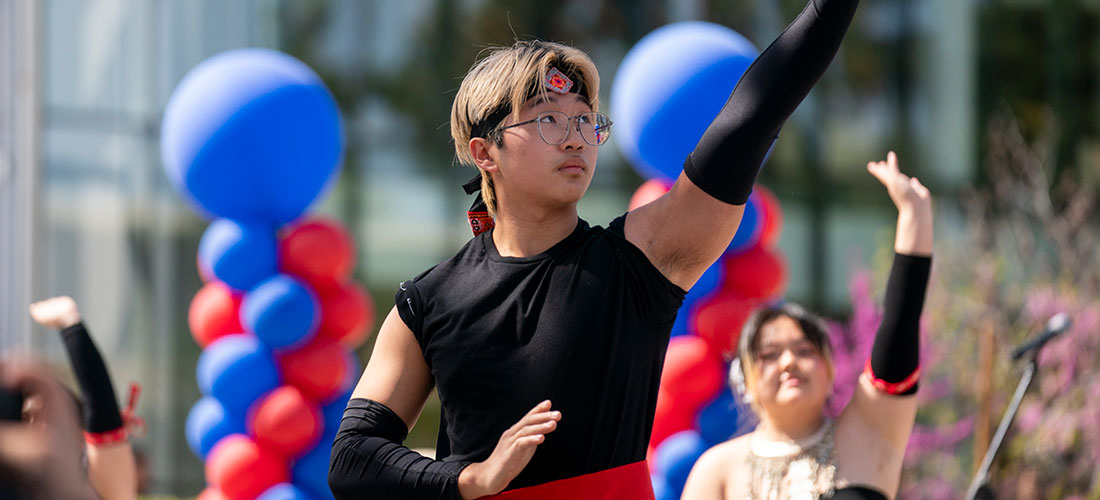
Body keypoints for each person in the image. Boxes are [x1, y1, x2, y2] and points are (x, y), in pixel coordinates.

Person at [328, 0, 861, 498]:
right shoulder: (427, 301)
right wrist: (470, 479)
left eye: (586, 120)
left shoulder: (639, 260)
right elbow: (352, 458)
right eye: (548, 119)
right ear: (484, 151)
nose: (575, 137)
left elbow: (752, 117)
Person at [680, 152, 933, 500]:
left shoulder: (870, 432)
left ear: (829, 369)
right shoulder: (717, 471)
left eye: (804, 350)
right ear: (746, 381)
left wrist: (914, 218)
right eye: (769, 354)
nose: (789, 362)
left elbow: (900, 329)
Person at [28, 296, 139, 500]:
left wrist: (70, 324)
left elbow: (101, 411)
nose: (37, 425)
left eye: (48, 415)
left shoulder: (95, 489)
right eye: (26, 418)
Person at [0, 358, 101, 500]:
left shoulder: (102, 488)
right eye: (26, 417)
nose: (33, 424)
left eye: (41, 415)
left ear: (77, 434)